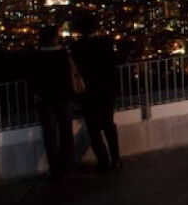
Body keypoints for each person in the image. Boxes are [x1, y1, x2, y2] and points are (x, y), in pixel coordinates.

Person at [70, 12, 121, 172]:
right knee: (108, 124)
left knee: (93, 127)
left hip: (87, 92)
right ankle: (116, 159)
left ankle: (103, 160)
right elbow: (113, 63)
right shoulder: (105, 43)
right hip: (106, 89)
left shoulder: (76, 47)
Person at [29, 24, 79, 179]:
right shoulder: (63, 54)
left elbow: (33, 78)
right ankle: (68, 166)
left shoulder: (36, 55)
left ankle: (55, 169)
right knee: (66, 133)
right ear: (55, 37)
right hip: (63, 98)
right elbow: (70, 76)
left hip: (45, 100)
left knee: (50, 135)